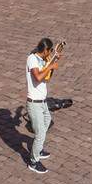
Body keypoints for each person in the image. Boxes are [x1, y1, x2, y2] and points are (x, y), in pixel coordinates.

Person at [24, 37, 61, 174]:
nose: (49, 54)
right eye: (49, 51)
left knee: (47, 122)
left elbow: (47, 78)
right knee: (40, 133)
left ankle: (38, 149)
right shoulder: (32, 59)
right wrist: (50, 66)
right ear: (44, 50)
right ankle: (33, 162)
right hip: (34, 103)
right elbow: (38, 77)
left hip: (42, 101)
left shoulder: (43, 59)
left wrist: (53, 62)